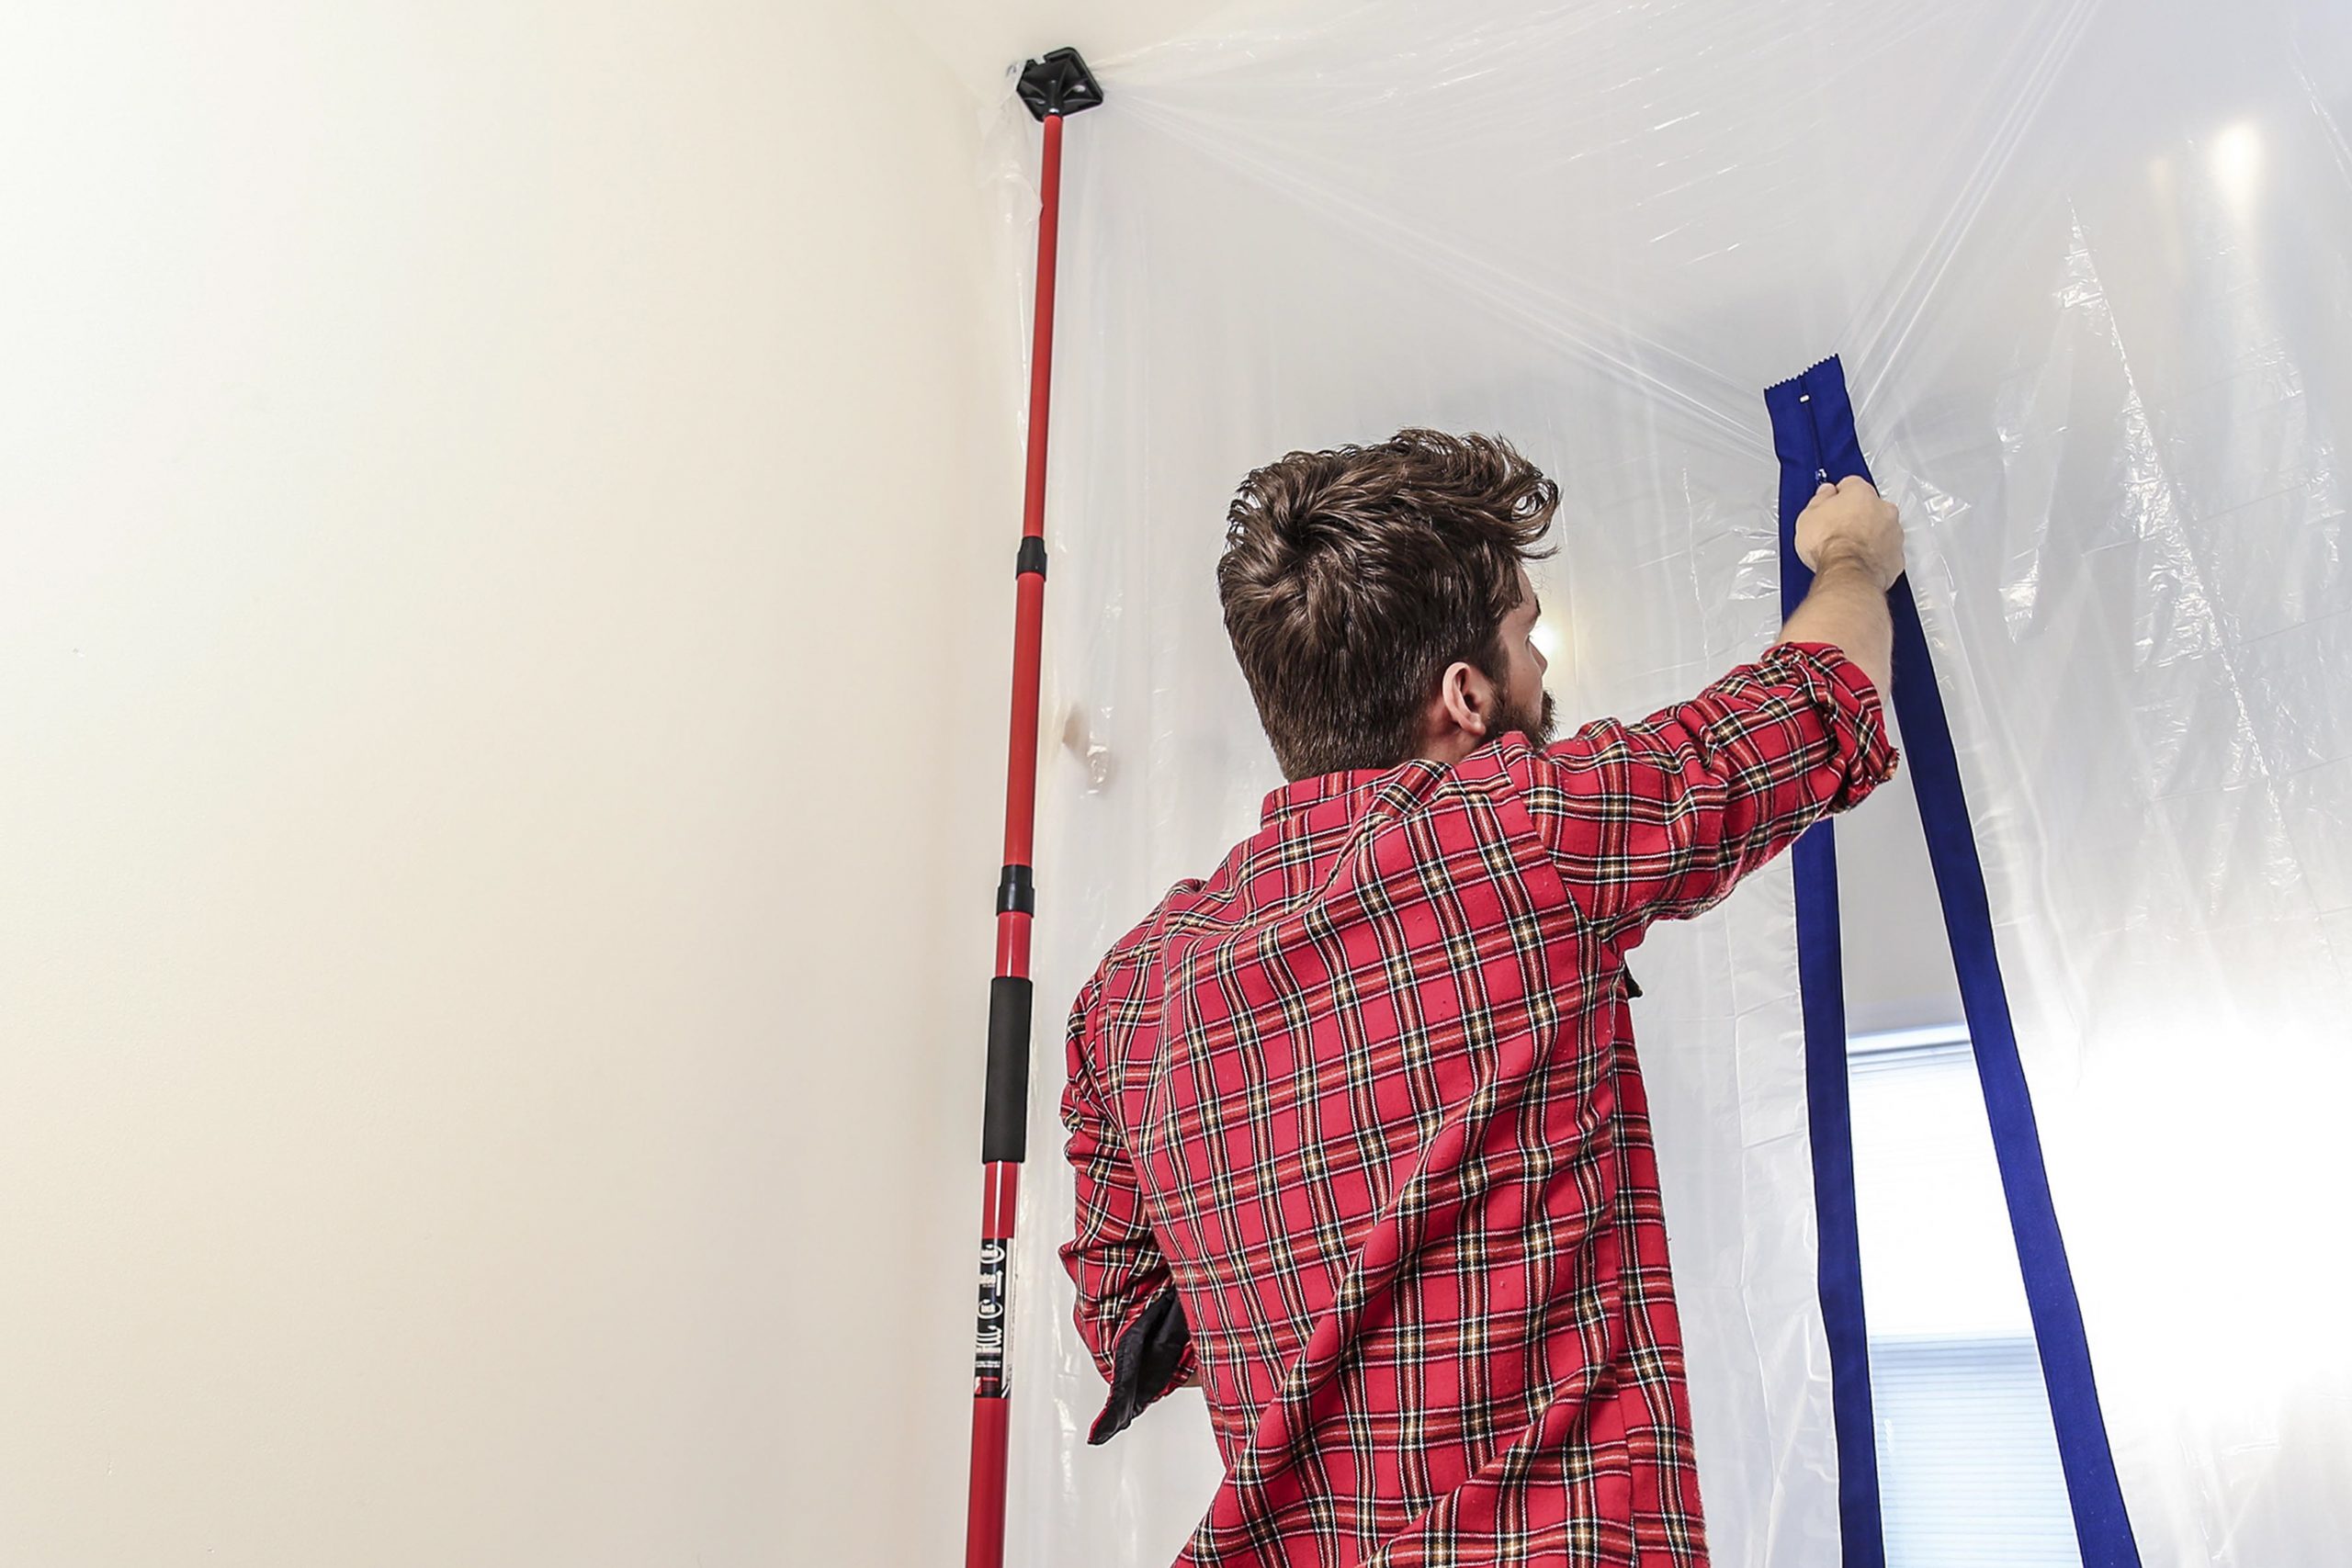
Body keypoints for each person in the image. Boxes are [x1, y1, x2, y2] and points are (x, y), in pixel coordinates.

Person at [1058, 429, 1904, 1567]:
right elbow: (1812, 704)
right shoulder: (1519, 835)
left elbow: (1131, 1325)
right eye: (1525, 639)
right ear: (1465, 694)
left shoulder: (1125, 997)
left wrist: (1310, 1254)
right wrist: (1851, 559)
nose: (1540, 669)